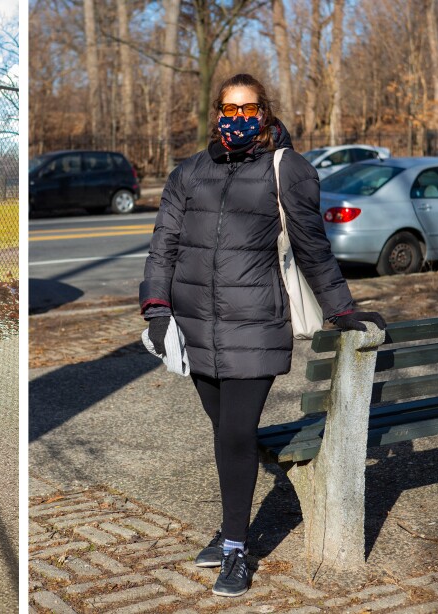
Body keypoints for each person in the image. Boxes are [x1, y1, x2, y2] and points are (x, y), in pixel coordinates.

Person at [139, 73, 386, 597]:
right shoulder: (189, 172)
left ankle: (235, 550)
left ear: (265, 112)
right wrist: (157, 310)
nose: (238, 118)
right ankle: (233, 526)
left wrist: (342, 308)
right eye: (228, 109)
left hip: (254, 325)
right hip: (193, 326)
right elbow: (163, 245)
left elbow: (312, 246)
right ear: (217, 113)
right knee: (226, 433)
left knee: (234, 432)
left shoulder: (287, 169)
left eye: (248, 108)